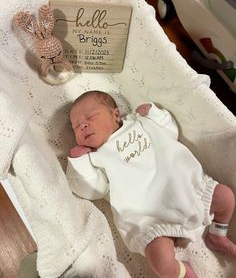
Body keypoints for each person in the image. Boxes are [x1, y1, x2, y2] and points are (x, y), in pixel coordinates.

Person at [66, 90, 236, 278]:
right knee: (160, 261)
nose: (83, 126)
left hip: (187, 190)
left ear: (115, 115)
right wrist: (79, 163)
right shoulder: (97, 157)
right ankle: (183, 272)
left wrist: (154, 113)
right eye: (76, 127)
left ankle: (218, 235)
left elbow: (170, 131)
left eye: (90, 117)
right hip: (151, 217)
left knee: (226, 197)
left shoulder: (141, 122)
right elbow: (93, 190)